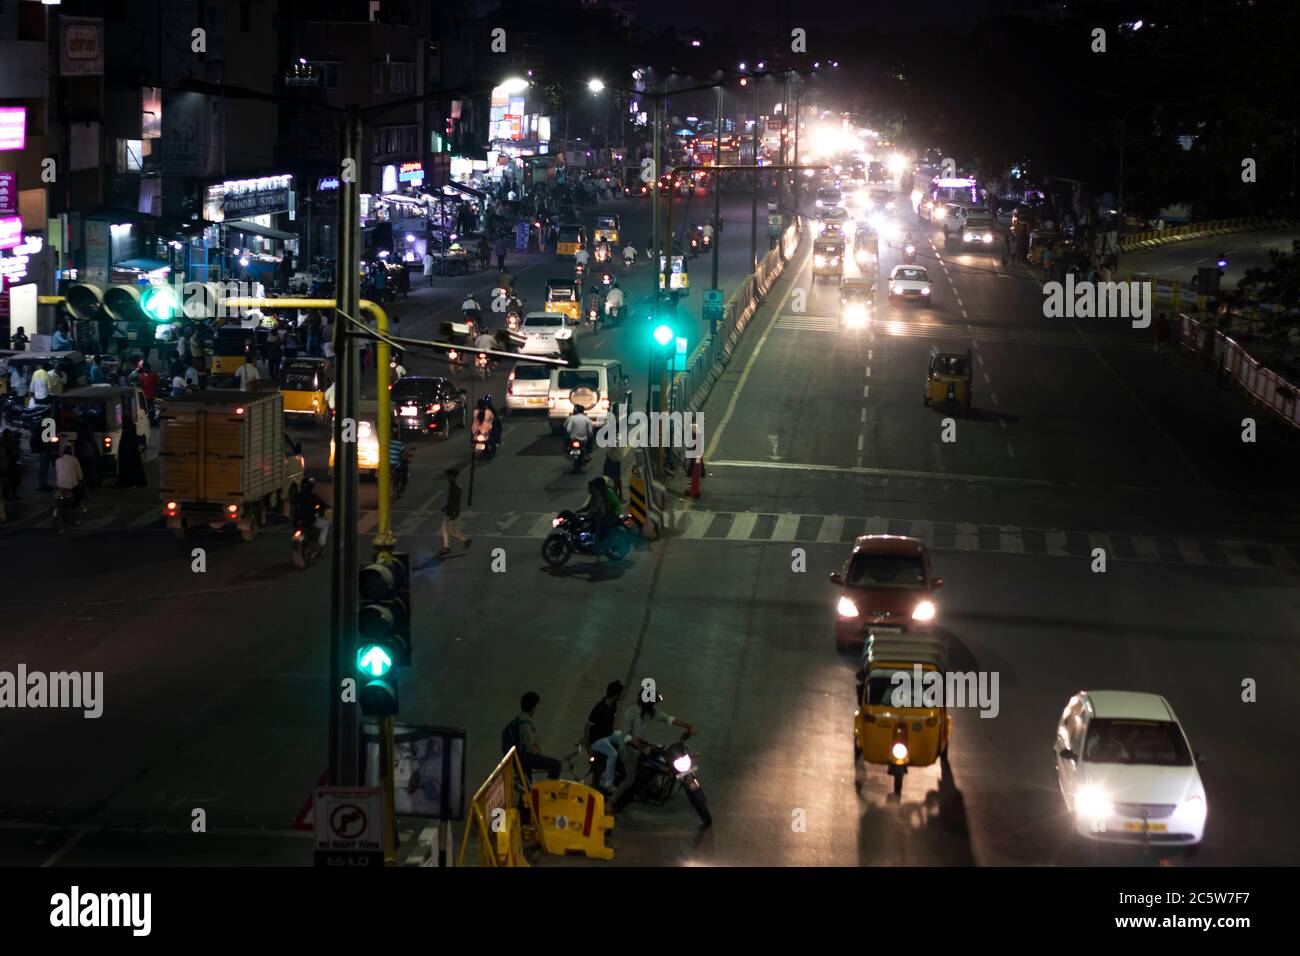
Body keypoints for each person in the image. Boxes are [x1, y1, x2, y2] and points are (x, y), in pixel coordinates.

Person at [611, 694, 698, 811]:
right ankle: (611, 802)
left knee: (660, 754)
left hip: (639, 744)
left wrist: (688, 726)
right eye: (652, 703)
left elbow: (669, 719)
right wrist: (642, 747)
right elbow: (625, 736)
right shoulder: (631, 713)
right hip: (626, 748)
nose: (653, 705)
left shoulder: (650, 712)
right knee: (630, 778)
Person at [506, 692, 561, 781]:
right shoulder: (525, 723)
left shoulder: (518, 720)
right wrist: (540, 754)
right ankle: (549, 790)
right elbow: (530, 748)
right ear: (533, 708)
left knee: (527, 786)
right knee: (556, 764)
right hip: (524, 758)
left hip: (518, 758)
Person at [438, 467, 471, 556]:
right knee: (451, 530)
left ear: (453, 477)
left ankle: (446, 547)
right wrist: (446, 506)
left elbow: (456, 502)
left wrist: (453, 512)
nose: (448, 478)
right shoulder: (453, 486)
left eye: (449, 476)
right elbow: (451, 500)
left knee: (445, 529)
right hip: (451, 511)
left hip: (452, 512)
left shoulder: (455, 487)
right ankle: (465, 539)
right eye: (447, 476)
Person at [293, 477, 330, 547]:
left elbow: (293, 505)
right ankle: (321, 544)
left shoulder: (297, 496)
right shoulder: (313, 497)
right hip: (310, 519)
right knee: (325, 525)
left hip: (297, 520)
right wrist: (329, 506)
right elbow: (323, 504)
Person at [115, 409, 147, 488]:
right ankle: (133, 482)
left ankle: (127, 481)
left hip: (126, 450)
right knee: (134, 466)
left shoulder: (124, 426)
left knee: (126, 466)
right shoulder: (131, 425)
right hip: (132, 450)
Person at [54, 445, 85, 521]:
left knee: (62, 495)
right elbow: (80, 474)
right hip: (71, 484)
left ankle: (62, 509)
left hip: (60, 484)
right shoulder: (74, 459)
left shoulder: (57, 460)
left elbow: (58, 473)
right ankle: (73, 507)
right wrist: (81, 479)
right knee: (79, 494)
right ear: (71, 452)